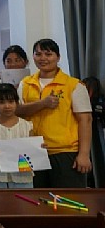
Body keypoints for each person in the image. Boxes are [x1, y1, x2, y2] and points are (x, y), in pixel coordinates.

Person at [16, 38, 92, 188]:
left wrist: (84, 154)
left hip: (65, 152)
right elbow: (17, 111)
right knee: (35, 198)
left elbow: (86, 120)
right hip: (32, 150)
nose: (43, 58)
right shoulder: (25, 83)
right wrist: (42, 104)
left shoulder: (74, 85)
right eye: (38, 54)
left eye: (48, 54)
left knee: (67, 198)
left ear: (58, 57)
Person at [0, 84, 34, 188]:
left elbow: (32, 148)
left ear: (17, 102)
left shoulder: (27, 126)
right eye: (2, 102)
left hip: (22, 175)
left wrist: (40, 148)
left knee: (23, 199)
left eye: (11, 101)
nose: (7, 106)